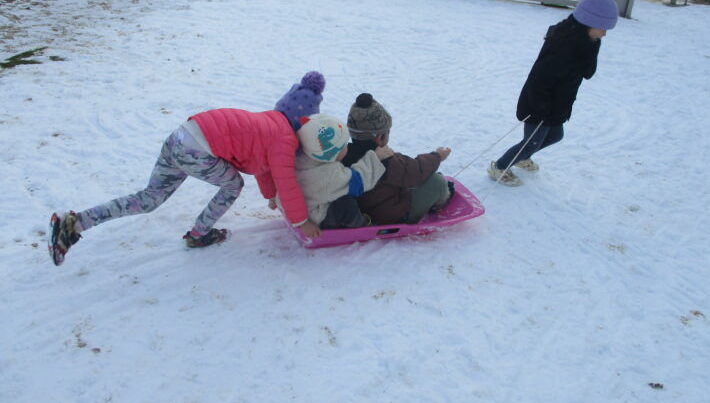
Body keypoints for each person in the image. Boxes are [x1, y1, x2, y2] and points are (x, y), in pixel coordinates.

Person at [47, 72, 326, 266]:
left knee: (149, 199)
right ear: (303, 121)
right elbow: (285, 178)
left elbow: (267, 170)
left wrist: (269, 195)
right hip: (198, 147)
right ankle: (199, 234)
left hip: (181, 136)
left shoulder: (269, 121)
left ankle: (74, 222)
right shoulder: (284, 138)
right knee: (233, 185)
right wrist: (302, 221)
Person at [488, 0, 619, 186]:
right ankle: (499, 166)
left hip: (558, 104)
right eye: (602, 28)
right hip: (539, 103)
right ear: (588, 22)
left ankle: (522, 157)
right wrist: (540, 109)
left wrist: (594, 44)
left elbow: (588, 72)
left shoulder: (585, 43)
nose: (605, 34)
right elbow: (540, 78)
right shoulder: (563, 45)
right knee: (532, 141)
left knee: (555, 136)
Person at [341, 93, 453, 225]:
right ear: (379, 137)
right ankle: (442, 199)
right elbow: (414, 171)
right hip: (392, 215)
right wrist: (437, 156)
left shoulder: (343, 154)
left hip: (363, 211)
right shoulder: (384, 159)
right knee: (437, 181)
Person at [286, 113, 392, 229]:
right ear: (332, 153)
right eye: (344, 144)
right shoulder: (328, 174)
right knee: (346, 204)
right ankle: (362, 224)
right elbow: (358, 182)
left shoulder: (298, 160)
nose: (347, 146)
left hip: (302, 209)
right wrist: (375, 158)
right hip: (317, 217)